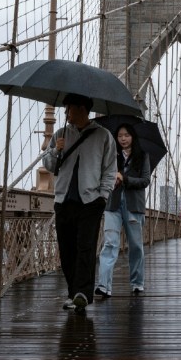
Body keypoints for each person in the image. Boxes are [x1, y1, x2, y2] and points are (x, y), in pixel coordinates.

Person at [43, 93, 117, 314]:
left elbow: (110, 170)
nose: (65, 113)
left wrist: (103, 196)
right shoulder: (60, 134)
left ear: (82, 108)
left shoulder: (103, 136)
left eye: (68, 109)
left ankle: (82, 294)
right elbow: (48, 164)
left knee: (86, 247)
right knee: (66, 250)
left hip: (90, 202)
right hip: (63, 200)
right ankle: (72, 292)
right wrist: (57, 149)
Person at [96, 123, 152, 298]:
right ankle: (104, 285)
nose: (123, 138)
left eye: (127, 135)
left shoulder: (142, 156)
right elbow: (102, 176)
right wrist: (112, 179)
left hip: (133, 206)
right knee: (110, 243)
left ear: (132, 137)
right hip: (112, 205)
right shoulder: (111, 156)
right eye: (120, 135)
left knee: (135, 246)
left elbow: (145, 181)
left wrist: (125, 178)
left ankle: (137, 282)